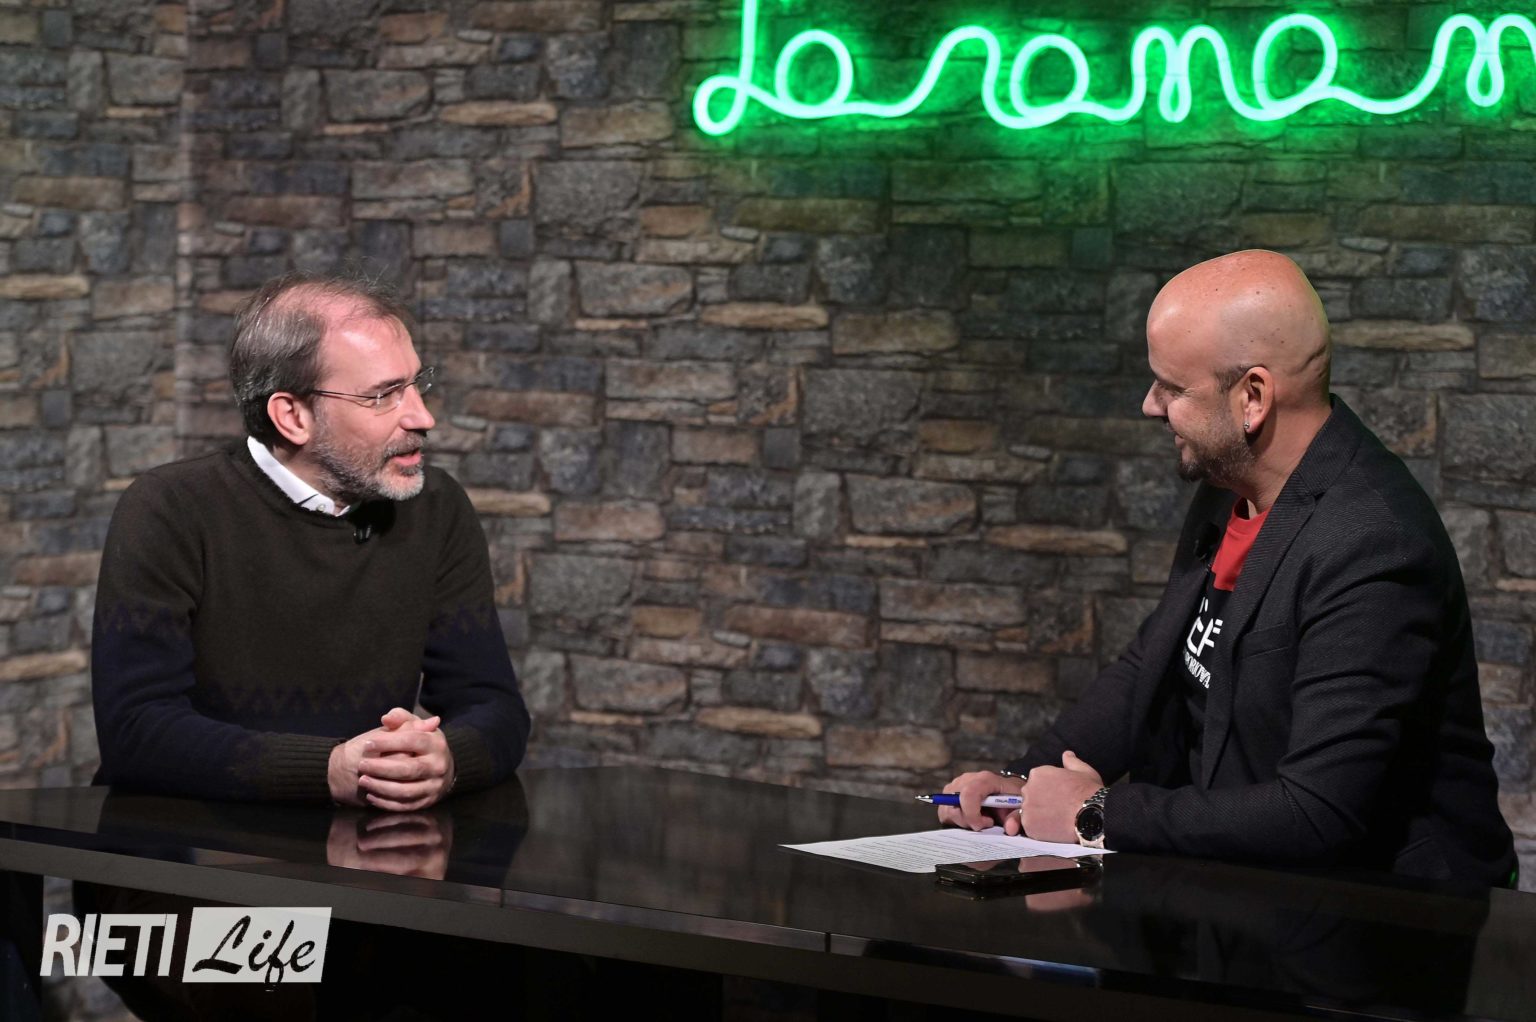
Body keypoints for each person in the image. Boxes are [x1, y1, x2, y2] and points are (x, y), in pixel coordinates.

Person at [940, 250, 1516, 888]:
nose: (1150, 405)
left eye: (1173, 388)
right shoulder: (1231, 485)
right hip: (1251, 892)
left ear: (1253, 397)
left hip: (1383, 918)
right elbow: (1155, 663)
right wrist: (1020, 785)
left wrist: (1096, 814)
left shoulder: (1374, 542)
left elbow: (1317, 811)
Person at [91, 272, 529, 810]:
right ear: (292, 416)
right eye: (384, 395)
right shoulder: (169, 508)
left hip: (363, 840)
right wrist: (328, 770)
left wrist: (448, 758)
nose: (422, 416)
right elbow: (135, 732)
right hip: (186, 842)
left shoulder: (436, 506)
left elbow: (494, 707)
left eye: (418, 383)